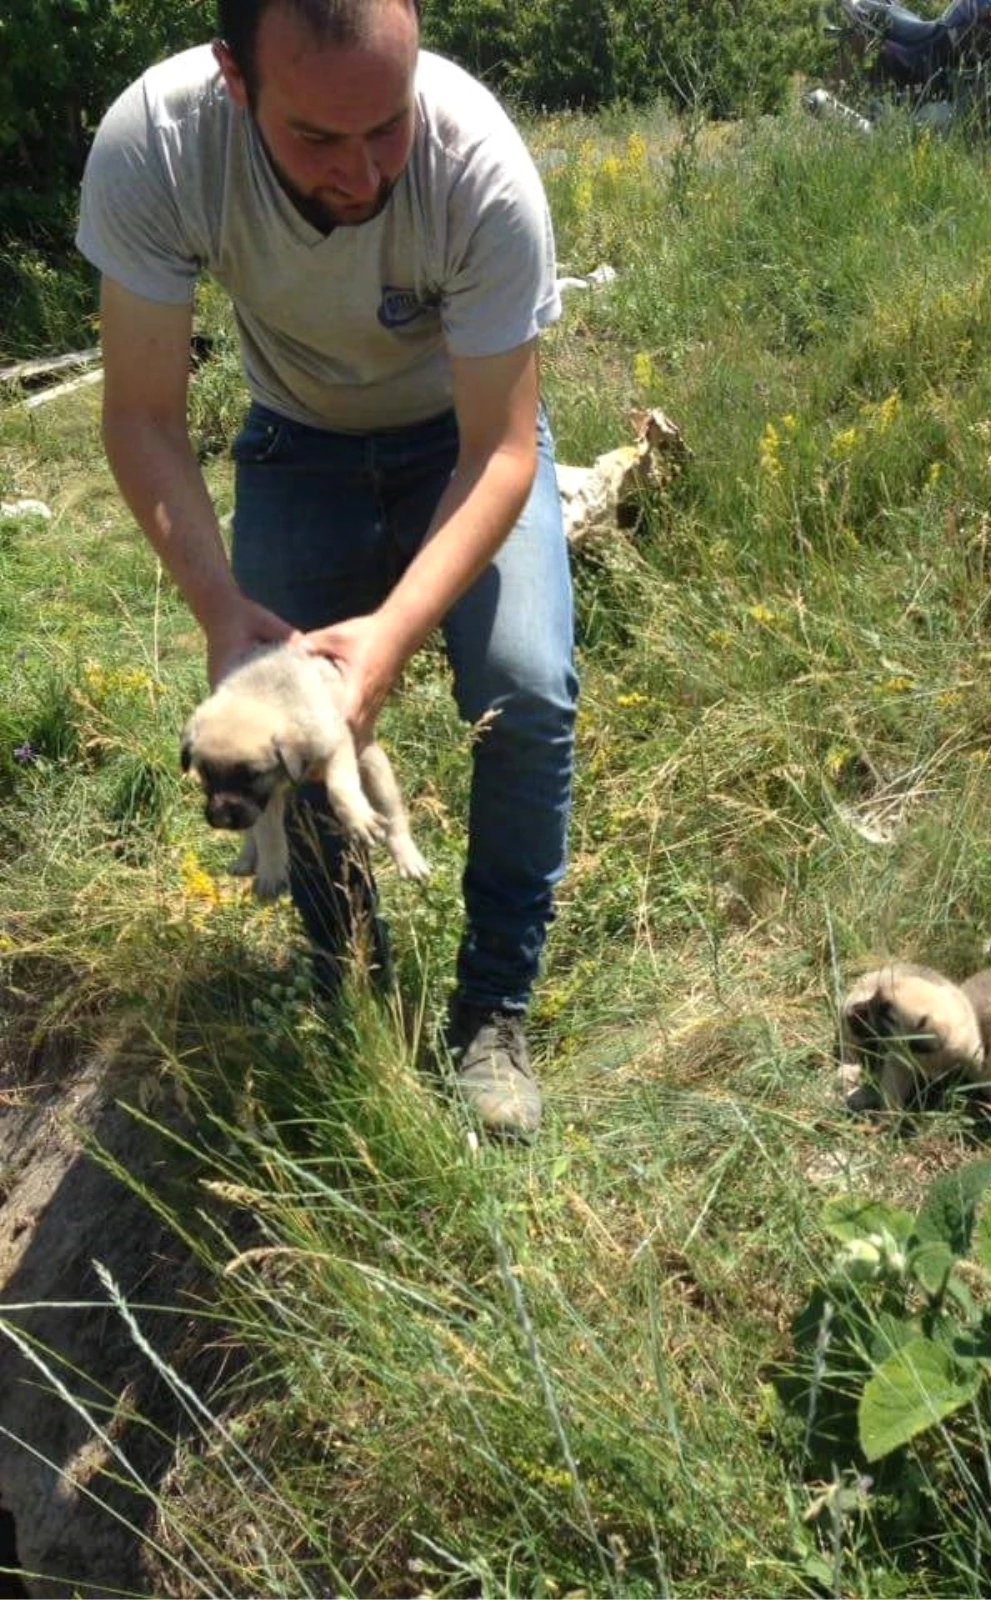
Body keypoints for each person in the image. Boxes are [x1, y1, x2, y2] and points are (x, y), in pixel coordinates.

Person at [75, 0, 578, 1140]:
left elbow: (502, 449)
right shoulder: (157, 143)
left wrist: (387, 639)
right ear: (235, 81)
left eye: (387, 126)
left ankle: (494, 1007)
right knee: (277, 724)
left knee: (528, 693)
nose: (362, 174)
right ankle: (341, 971)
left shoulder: (477, 161)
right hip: (297, 441)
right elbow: (144, 417)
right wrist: (221, 613)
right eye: (317, 140)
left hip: (462, 446)